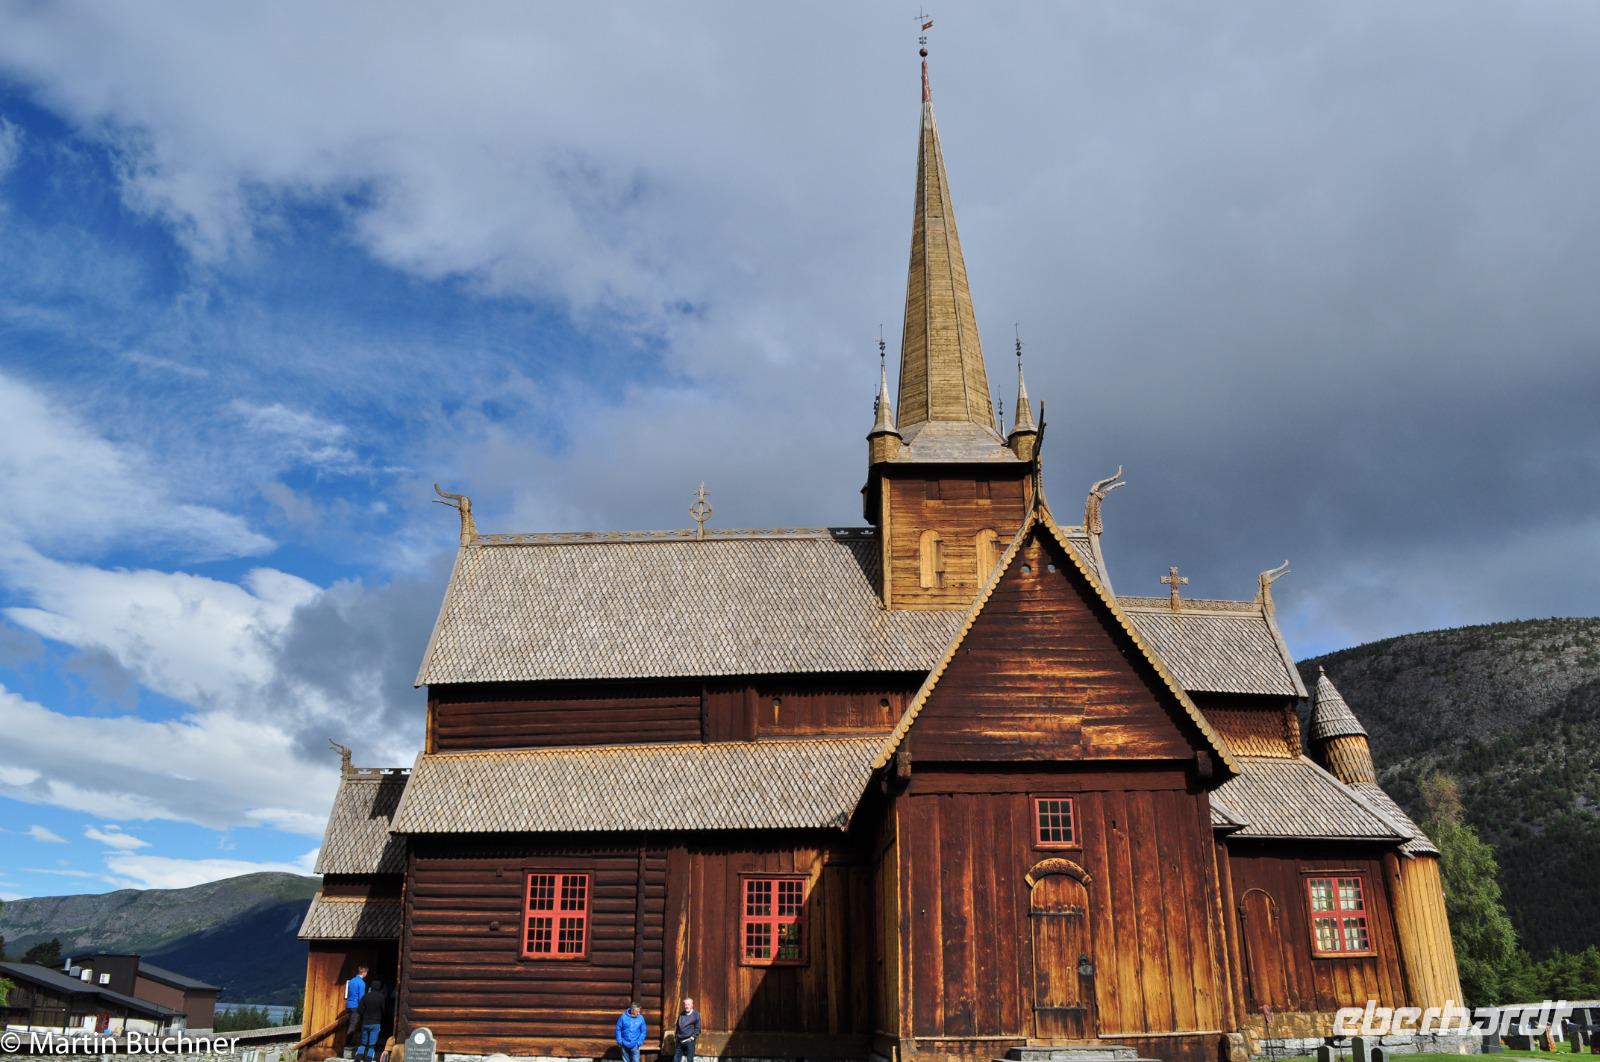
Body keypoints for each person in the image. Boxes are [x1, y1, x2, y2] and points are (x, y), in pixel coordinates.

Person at [355, 979, 387, 1062]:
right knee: (372, 1044)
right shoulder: (381, 997)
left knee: (363, 1043)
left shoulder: (365, 996)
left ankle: (358, 1058)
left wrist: (364, 1015)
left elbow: (359, 1010)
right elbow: (383, 1010)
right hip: (376, 1023)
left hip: (365, 1022)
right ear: (379, 987)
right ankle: (368, 1059)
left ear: (371, 987)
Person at [344, 965, 368, 1047]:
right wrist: (363, 1007)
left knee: (349, 1024)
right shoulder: (361, 983)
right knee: (353, 1024)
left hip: (349, 1005)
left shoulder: (351, 981)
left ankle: (347, 1041)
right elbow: (361, 998)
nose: (366, 974)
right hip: (356, 1006)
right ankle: (348, 1043)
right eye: (366, 972)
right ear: (364, 972)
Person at [673, 998, 701, 1062]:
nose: (687, 1006)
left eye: (688, 1004)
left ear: (692, 1005)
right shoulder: (682, 1014)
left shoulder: (696, 1015)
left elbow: (698, 1028)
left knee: (690, 1059)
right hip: (679, 1040)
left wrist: (692, 1037)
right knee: (676, 1059)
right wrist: (676, 1036)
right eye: (685, 1005)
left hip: (689, 1041)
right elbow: (678, 1026)